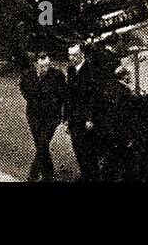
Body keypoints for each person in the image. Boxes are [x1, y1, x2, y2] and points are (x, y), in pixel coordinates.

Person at [20, 51, 67, 182]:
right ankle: (48, 173)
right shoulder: (28, 75)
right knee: (42, 146)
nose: (46, 68)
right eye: (42, 66)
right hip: (34, 116)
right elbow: (24, 90)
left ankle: (33, 175)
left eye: (47, 65)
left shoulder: (57, 75)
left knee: (42, 143)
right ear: (36, 64)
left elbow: (63, 94)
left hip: (51, 117)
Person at [65, 44, 104, 181]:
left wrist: (90, 118)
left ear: (81, 54)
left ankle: (94, 175)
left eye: (74, 55)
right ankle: (85, 174)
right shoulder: (70, 70)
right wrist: (66, 118)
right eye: (69, 55)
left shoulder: (91, 70)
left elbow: (94, 96)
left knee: (89, 149)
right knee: (77, 147)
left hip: (86, 117)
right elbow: (69, 95)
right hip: (74, 116)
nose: (71, 58)